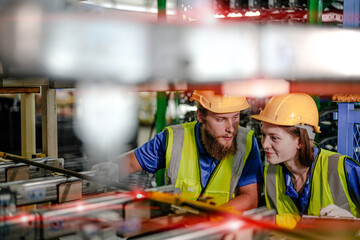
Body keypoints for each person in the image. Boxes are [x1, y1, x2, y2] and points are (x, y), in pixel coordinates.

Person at [93, 90, 263, 212]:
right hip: (179, 229)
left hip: (222, 229)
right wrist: (111, 168)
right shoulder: (173, 139)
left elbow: (250, 198)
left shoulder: (245, 143)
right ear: (200, 116)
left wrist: (211, 220)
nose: (231, 129)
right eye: (220, 119)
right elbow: (130, 163)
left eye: (235, 117)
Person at [251, 93, 360, 228]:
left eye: (274, 138)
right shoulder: (271, 174)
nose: (264, 144)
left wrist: (354, 224)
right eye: (263, 134)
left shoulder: (343, 169)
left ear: (301, 141)